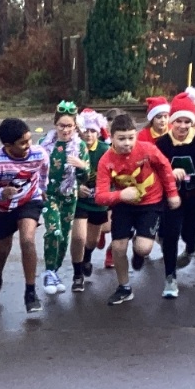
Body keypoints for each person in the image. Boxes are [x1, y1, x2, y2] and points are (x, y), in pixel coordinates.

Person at [95, 111, 179, 306]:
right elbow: (100, 196)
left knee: (143, 248)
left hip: (151, 201)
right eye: (121, 139)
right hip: (124, 205)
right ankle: (124, 287)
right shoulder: (106, 160)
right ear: (111, 137)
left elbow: (165, 167)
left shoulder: (147, 149)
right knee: (118, 247)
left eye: (131, 138)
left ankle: (139, 249)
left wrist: (172, 193)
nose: (127, 143)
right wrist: (120, 195)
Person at [153, 94, 195, 298]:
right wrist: (168, 174)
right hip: (171, 197)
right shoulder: (162, 144)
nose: (182, 126)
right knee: (170, 234)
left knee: (188, 233)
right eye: (178, 121)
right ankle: (170, 278)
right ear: (171, 122)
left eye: (187, 121)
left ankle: (192, 245)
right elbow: (153, 169)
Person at [0, 117, 48, 313]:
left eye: (29, 140)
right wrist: (1, 193)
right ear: (8, 146)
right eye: (23, 143)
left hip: (29, 201)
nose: (28, 146)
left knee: (27, 240)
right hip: (4, 206)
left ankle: (30, 292)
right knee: (2, 248)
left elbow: (44, 169)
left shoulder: (38, 153)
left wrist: (43, 188)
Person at [38, 102, 88, 297]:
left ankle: (54, 272)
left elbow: (85, 178)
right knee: (54, 231)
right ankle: (49, 272)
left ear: (75, 126)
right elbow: (34, 167)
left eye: (69, 126)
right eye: (61, 125)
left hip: (68, 196)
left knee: (64, 237)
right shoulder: (44, 143)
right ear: (55, 125)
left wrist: (81, 166)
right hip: (48, 194)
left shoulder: (80, 146)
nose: (65, 130)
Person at [69, 109, 112, 292]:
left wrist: (104, 191)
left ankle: (87, 256)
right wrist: (76, 188)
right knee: (79, 237)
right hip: (79, 201)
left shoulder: (105, 150)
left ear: (99, 132)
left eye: (93, 131)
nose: (88, 134)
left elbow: (112, 177)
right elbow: (62, 174)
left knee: (92, 240)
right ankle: (77, 274)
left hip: (98, 202)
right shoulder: (73, 148)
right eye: (85, 130)